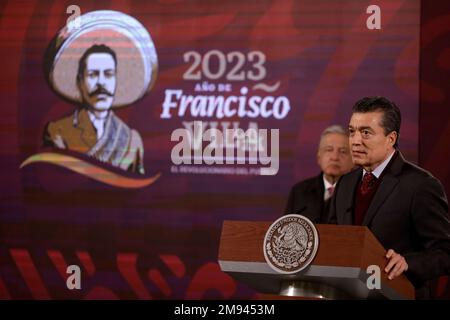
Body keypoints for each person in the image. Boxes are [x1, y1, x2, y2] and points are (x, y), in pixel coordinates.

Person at [328, 96, 450, 299]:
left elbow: (445, 252)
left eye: (366, 133)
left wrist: (408, 262)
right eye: (352, 132)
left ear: (390, 139)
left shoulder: (420, 185)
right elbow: (334, 238)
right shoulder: (345, 183)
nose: (356, 141)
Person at [43, 45, 145, 174]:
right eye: (92, 74)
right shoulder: (58, 132)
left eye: (108, 74)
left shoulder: (131, 139)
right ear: (80, 82)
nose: (101, 82)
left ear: (116, 80)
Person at [285, 125, 354, 223]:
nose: (335, 157)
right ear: (319, 157)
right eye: (329, 150)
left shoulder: (357, 193)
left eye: (343, 152)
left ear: (353, 160)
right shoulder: (299, 191)